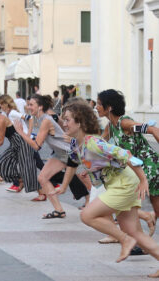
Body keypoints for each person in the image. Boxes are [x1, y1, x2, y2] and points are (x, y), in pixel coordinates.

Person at [55, 101, 159, 271]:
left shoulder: (92, 142)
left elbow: (126, 154)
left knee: (87, 215)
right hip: (117, 184)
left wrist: (143, 180)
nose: (63, 124)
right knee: (134, 231)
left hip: (124, 184)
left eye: (67, 120)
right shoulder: (76, 144)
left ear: (80, 122)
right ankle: (130, 239)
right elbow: (72, 165)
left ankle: (124, 240)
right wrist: (65, 186)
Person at [96, 90, 158, 241]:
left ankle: (137, 240)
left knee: (125, 203)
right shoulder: (110, 127)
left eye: (98, 104)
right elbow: (97, 145)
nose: (96, 107)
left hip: (150, 169)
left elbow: (152, 129)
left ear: (109, 107)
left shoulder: (125, 123)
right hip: (137, 172)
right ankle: (142, 242)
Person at [13, 95, 89, 218]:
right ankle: (59, 210)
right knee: (42, 178)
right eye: (28, 104)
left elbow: (37, 146)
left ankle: (98, 204)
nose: (28, 107)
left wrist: (21, 133)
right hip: (58, 153)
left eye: (32, 104)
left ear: (40, 107)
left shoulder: (46, 120)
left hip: (68, 152)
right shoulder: (39, 119)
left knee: (86, 179)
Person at [0, 98, 40, 192]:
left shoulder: (1, 119)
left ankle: (42, 193)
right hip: (14, 143)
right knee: (1, 165)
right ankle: (21, 180)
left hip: (22, 142)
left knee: (27, 169)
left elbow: (0, 142)